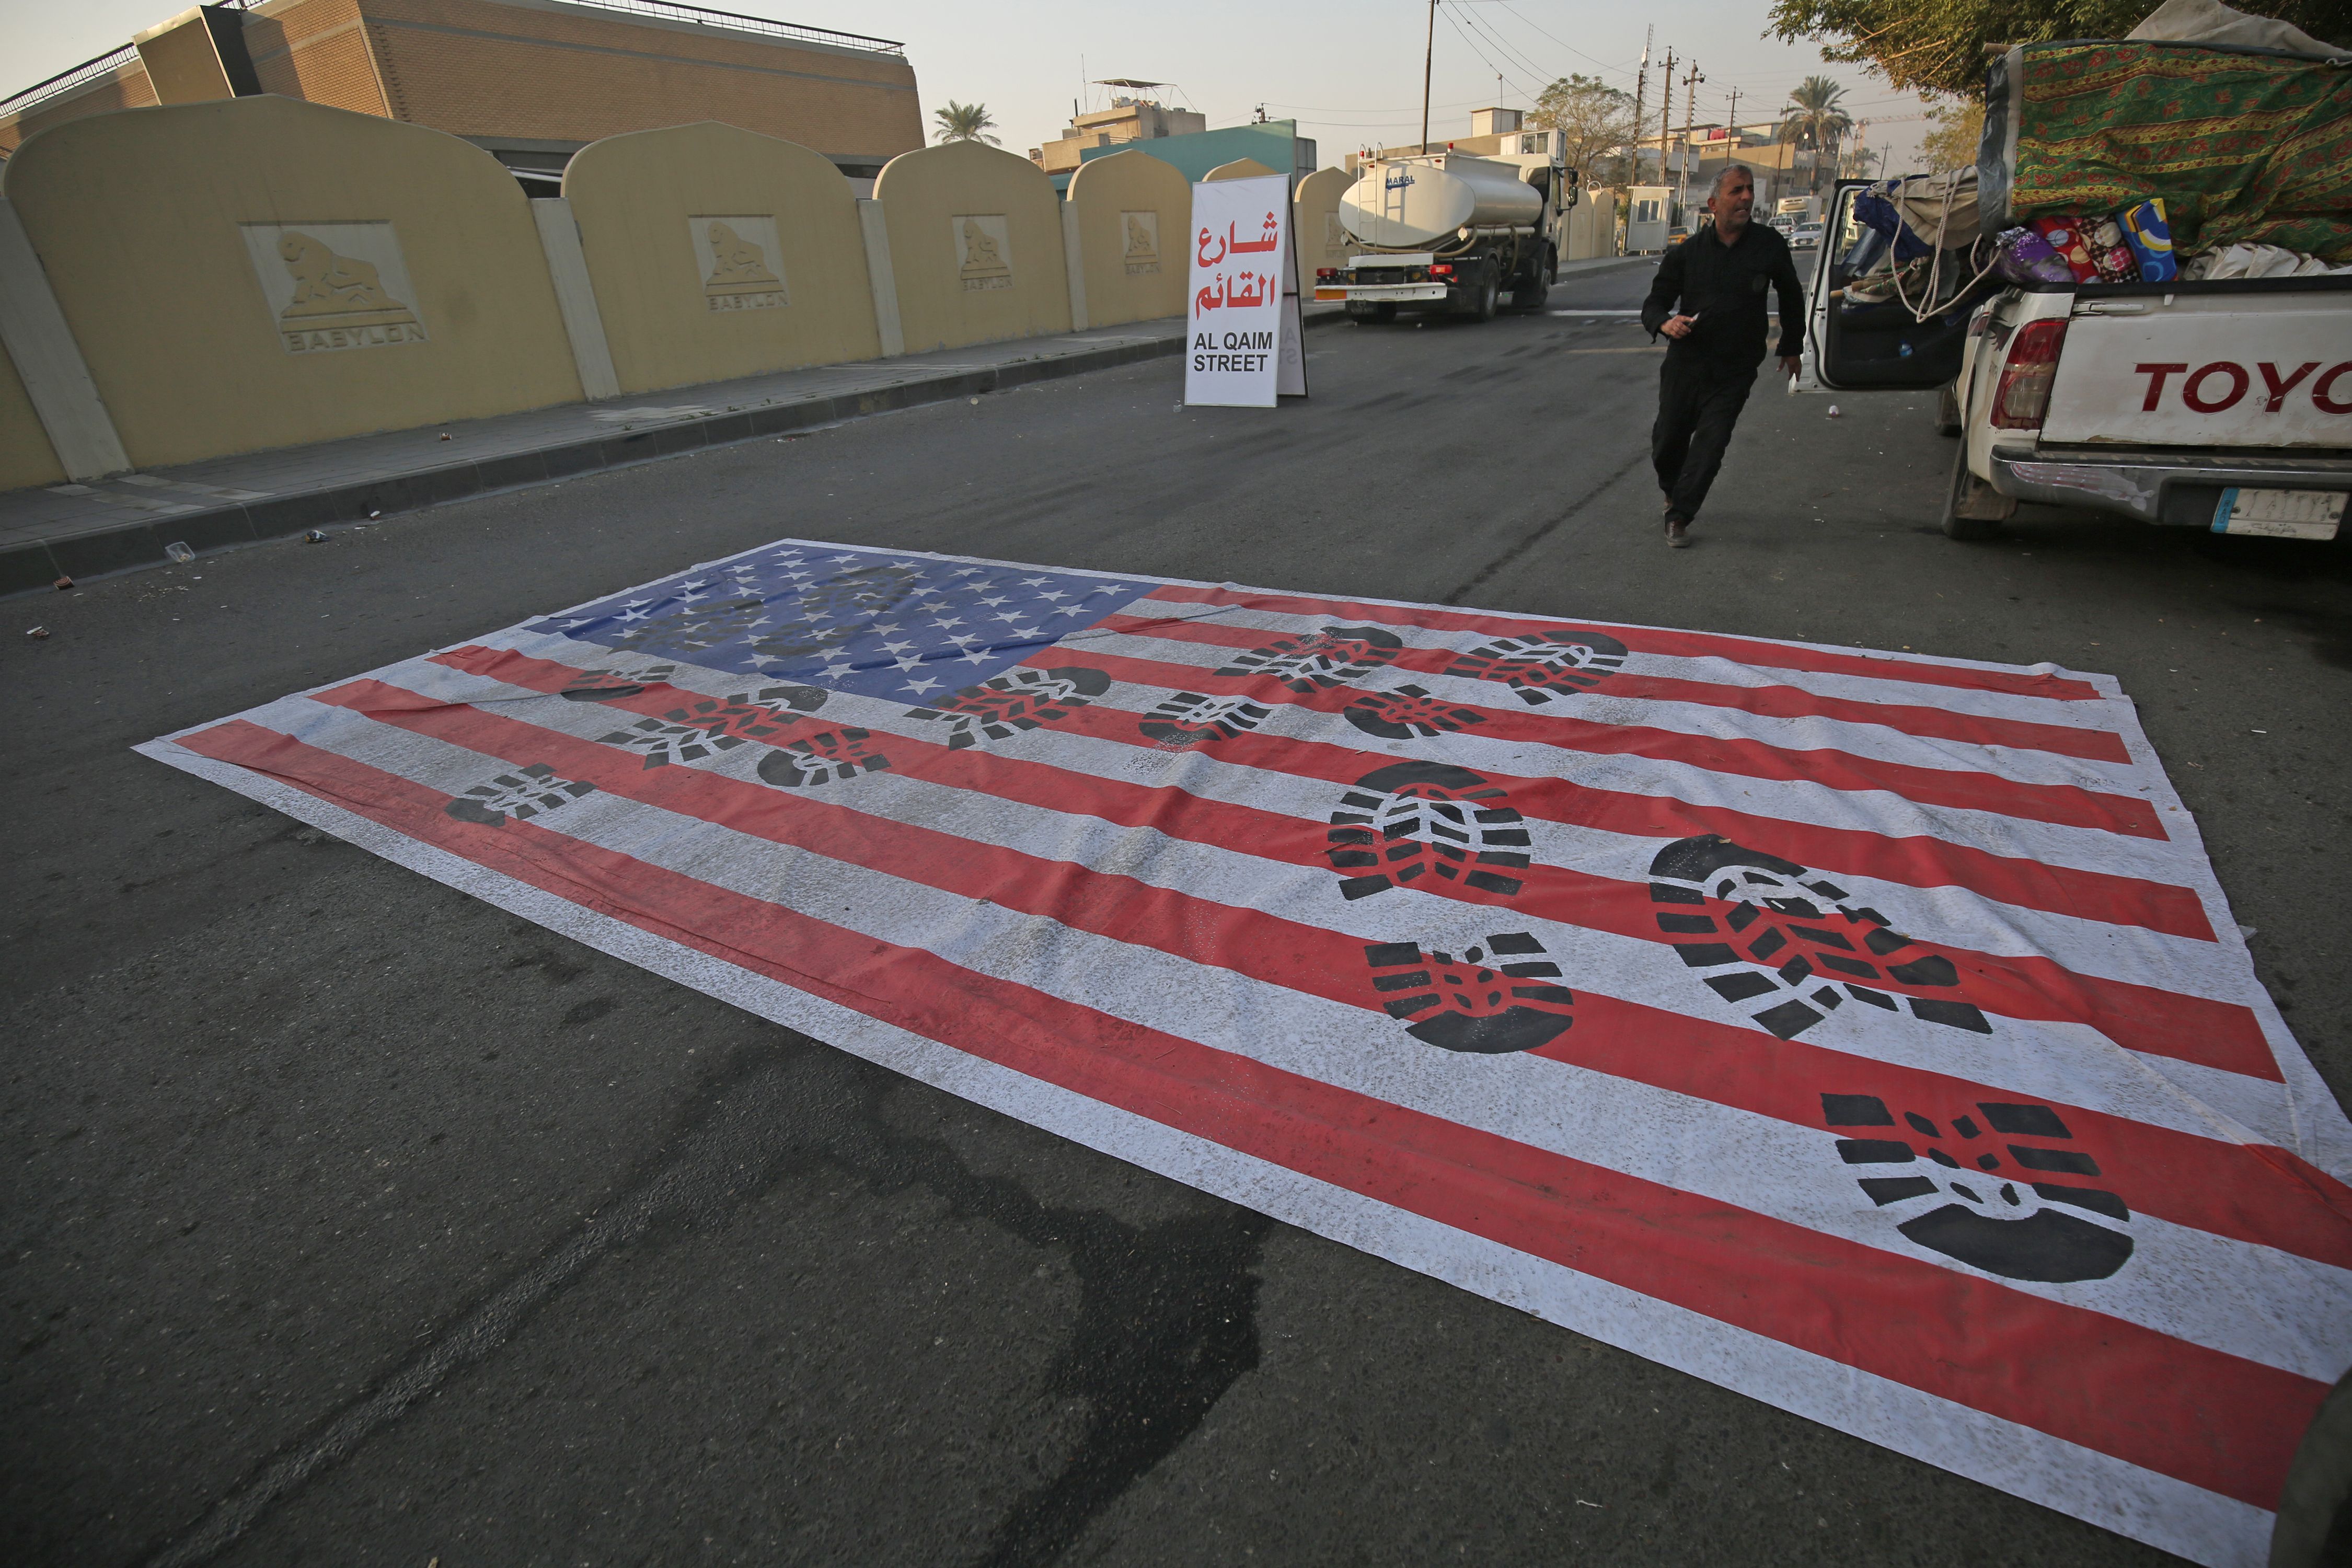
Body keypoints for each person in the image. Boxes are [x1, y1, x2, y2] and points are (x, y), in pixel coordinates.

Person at [1639, 165, 1806, 548]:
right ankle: (1673, 487)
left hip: (1736, 367)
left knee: (1712, 443)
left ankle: (1679, 515)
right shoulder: (1687, 254)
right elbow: (1655, 303)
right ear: (1714, 204)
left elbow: (1792, 295)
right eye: (1736, 191)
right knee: (1668, 442)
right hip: (1687, 362)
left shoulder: (1769, 246)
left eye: (1749, 190)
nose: (1746, 197)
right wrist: (1666, 324)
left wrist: (1792, 346)